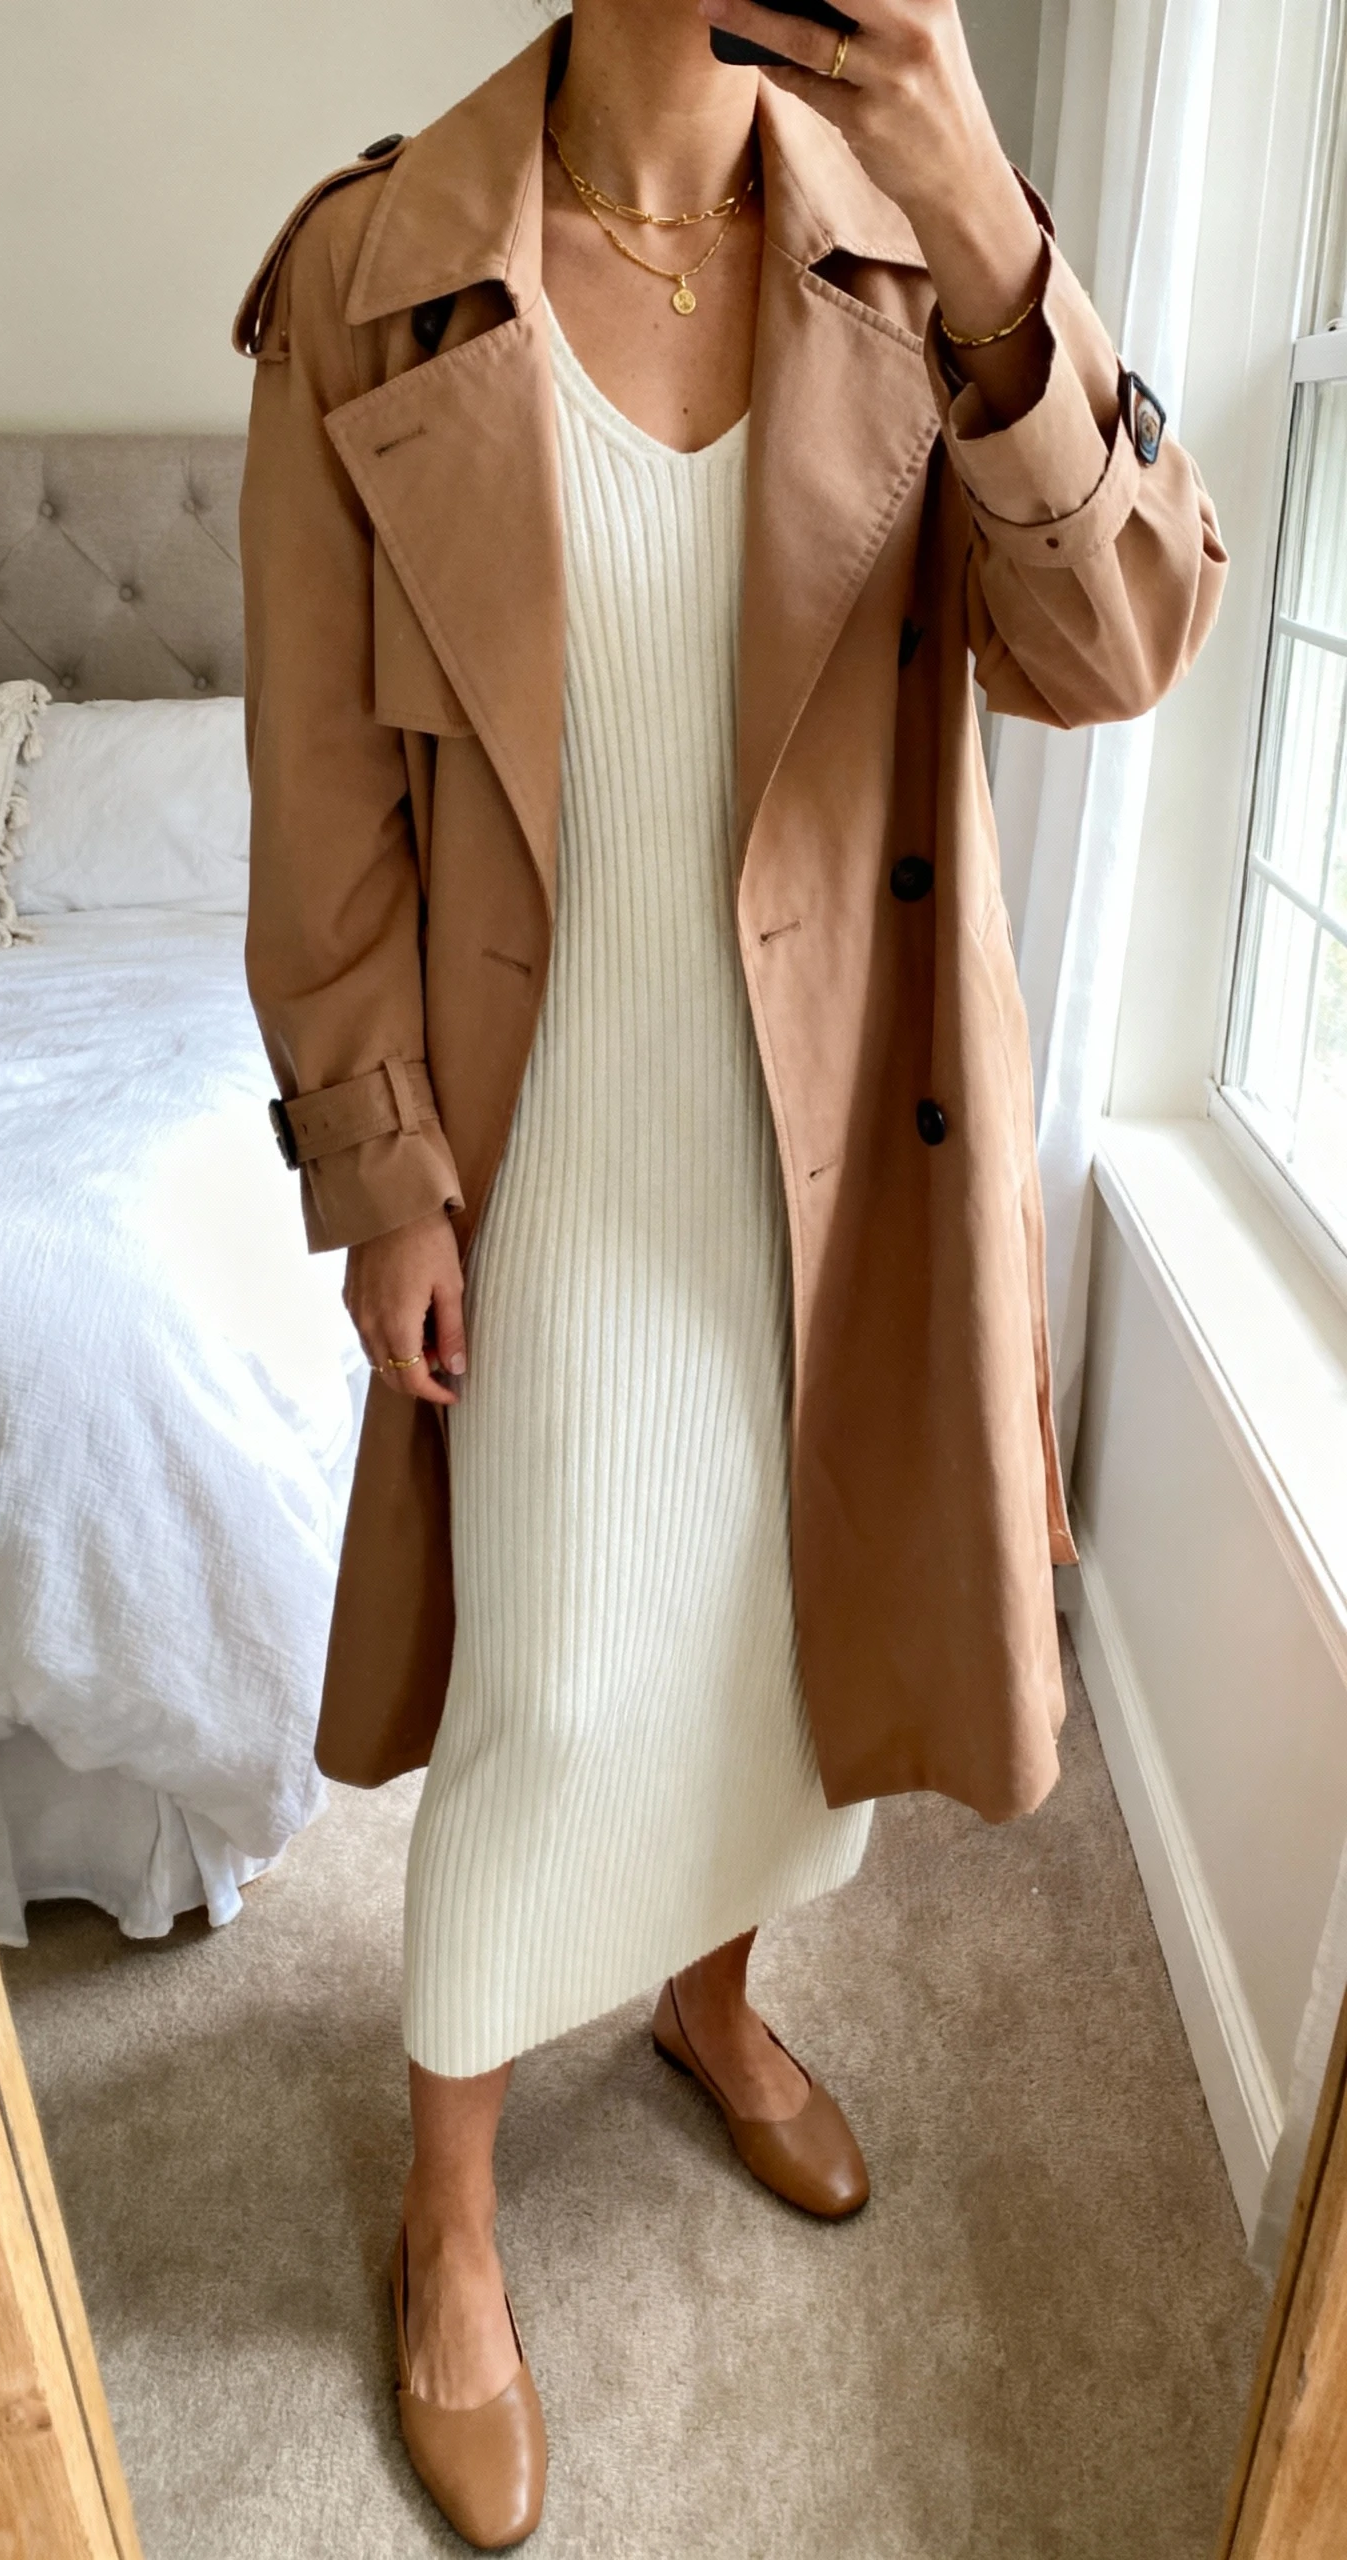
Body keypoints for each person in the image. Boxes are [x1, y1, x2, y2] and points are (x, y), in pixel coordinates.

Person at [234, 0, 1225, 2543]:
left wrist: (987, 197)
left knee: (788, 1652)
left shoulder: (919, 263)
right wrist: (385, 1178)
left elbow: (1117, 646)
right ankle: (449, 2210)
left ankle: (706, 1995)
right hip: (554, 1135)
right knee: (556, 1677)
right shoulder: (375, 272)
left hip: (845, 1132)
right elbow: (324, 802)